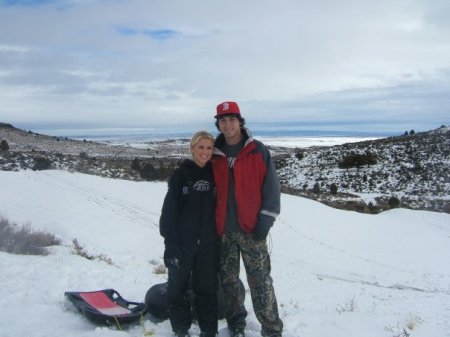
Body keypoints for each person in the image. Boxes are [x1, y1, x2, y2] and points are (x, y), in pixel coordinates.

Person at [211, 101, 283, 337]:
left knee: (261, 283)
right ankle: (236, 324)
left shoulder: (258, 151)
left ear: (240, 121)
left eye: (232, 119)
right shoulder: (214, 153)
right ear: (218, 124)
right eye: (223, 120)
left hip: (253, 231)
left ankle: (272, 329)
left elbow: (271, 190)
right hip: (224, 233)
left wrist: (264, 223)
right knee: (229, 284)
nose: (227, 124)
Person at [159, 131, 218, 337]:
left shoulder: (215, 174)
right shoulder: (181, 175)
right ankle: (181, 330)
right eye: (200, 147)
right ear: (192, 148)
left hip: (209, 245)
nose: (205, 152)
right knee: (177, 290)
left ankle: (209, 331)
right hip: (183, 244)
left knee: (207, 291)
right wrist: (171, 246)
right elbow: (169, 213)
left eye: (209, 148)